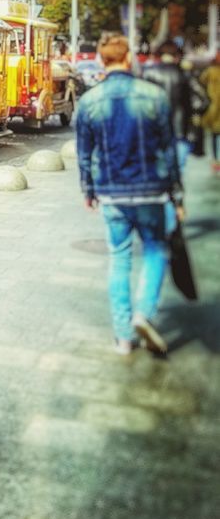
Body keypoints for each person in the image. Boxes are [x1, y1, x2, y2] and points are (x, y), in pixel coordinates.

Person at [76, 32, 181, 356]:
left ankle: (123, 337)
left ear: (101, 60)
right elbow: (168, 150)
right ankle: (143, 313)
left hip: (111, 193)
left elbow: (84, 154)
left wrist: (88, 190)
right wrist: (178, 196)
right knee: (155, 250)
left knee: (119, 259)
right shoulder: (153, 95)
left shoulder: (89, 101)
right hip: (152, 191)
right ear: (128, 57)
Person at [142, 41, 195, 228]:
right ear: (177, 56)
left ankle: (159, 221)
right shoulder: (184, 75)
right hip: (179, 132)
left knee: (156, 174)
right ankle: (172, 225)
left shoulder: (148, 74)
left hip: (154, 133)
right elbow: (203, 101)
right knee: (176, 176)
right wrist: (188, 113)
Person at [200, 51, 220, 172]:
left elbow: (201, 80)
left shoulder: (210, 71)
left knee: (213, 135)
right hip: (215, 108)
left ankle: (215, 159)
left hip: (213, 107)